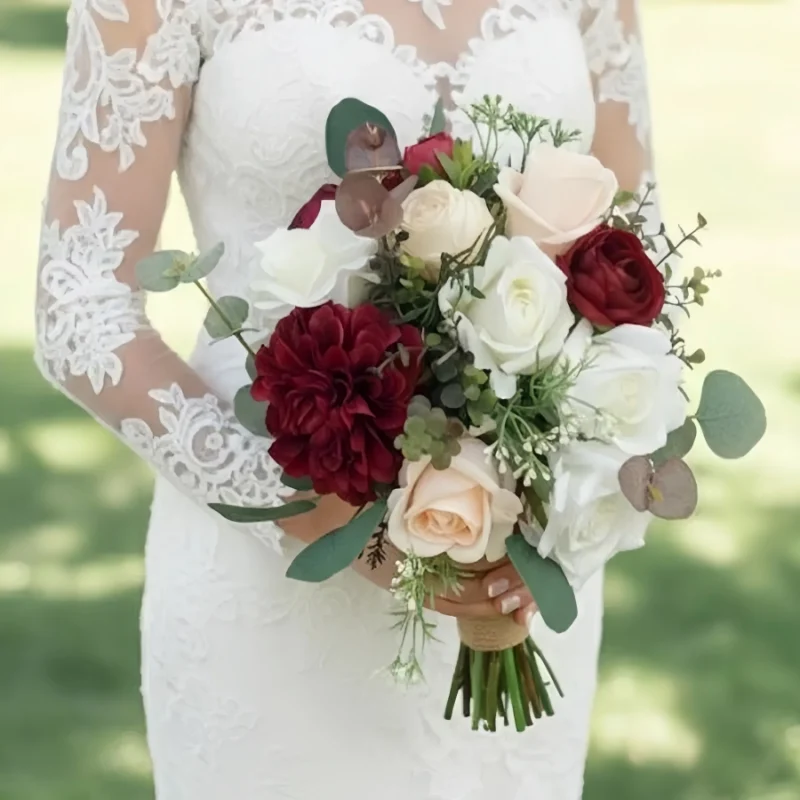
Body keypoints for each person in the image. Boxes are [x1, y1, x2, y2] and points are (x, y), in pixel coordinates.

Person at [34, 1, 660, 797]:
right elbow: (78, 306)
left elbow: (640, 263)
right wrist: (304, 507)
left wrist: (563, 506)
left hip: (514, 571)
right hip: (269, 572)